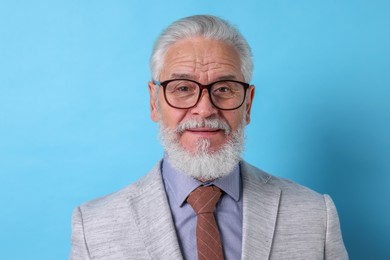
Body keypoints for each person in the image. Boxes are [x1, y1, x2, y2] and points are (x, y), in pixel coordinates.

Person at [69, 15, 348, 260]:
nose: (204, 109)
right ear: (154, 103)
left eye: (224, 89)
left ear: (247, 104)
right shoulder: (93, 226)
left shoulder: (315, 215)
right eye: (182, 88)